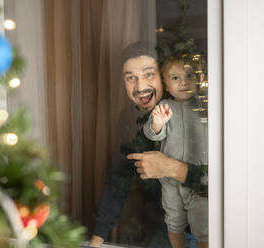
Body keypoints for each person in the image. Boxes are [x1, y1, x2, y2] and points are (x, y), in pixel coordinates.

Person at [89, 42, 207, 247]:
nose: (140, 86)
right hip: (165, 227)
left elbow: (227, 183)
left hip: (207, 226)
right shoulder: (131, 121)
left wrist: (171, 167)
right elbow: (119, 179)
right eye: (130, 78)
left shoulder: (202, 111)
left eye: (148, 74)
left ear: (162, 77)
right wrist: (96, 239)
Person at [142, 55, 208, 248]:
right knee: (174, 219)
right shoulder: (165, 107)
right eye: (175, 78)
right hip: (170, 181)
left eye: (189, 75)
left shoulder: (204, 106)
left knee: (203, 223)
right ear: (167, 85)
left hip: (199, 180)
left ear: (200, 79)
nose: (184, 82)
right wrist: (157, 124)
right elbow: (152, 134)